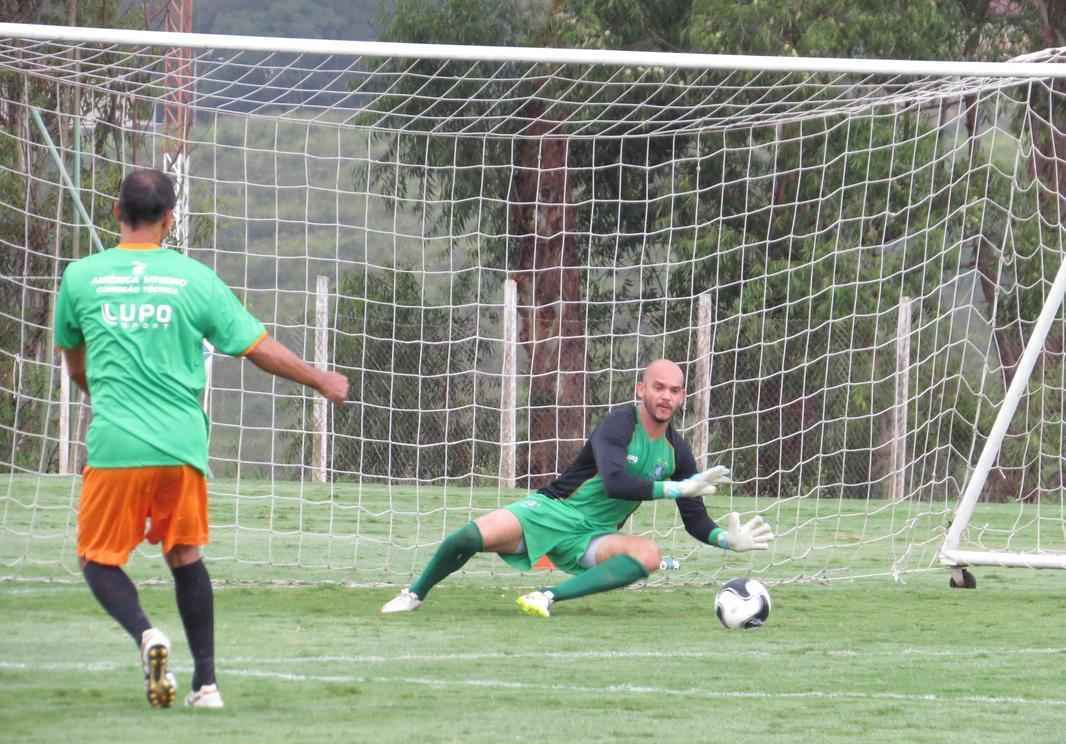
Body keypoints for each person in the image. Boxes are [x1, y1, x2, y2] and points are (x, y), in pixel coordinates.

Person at [54, 169, 349, 709]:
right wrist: (321, 378)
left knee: (98, 560)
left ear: (117, 213)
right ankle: (206, 684)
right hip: (181, 447)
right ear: (170, 220)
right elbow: (256, 346)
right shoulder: (194, 278)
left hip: (117, 444)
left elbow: (77, 367)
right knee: (186, 556)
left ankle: (147, 635)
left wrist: (102, 390)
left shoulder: (80, 277)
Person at [382, 358, 773, 618]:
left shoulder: (677, 451)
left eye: (674, 390)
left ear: (682, 396)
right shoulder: (618, 424)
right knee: (466, 538)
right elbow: (617, 482)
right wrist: (675, 489)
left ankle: (548, 595)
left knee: (649, 555)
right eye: (659, 387)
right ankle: (414, 594)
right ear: (641, 389)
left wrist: (726, 540)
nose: (666, 396)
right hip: (552, 512)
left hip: (594, 537)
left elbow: (694, 519)